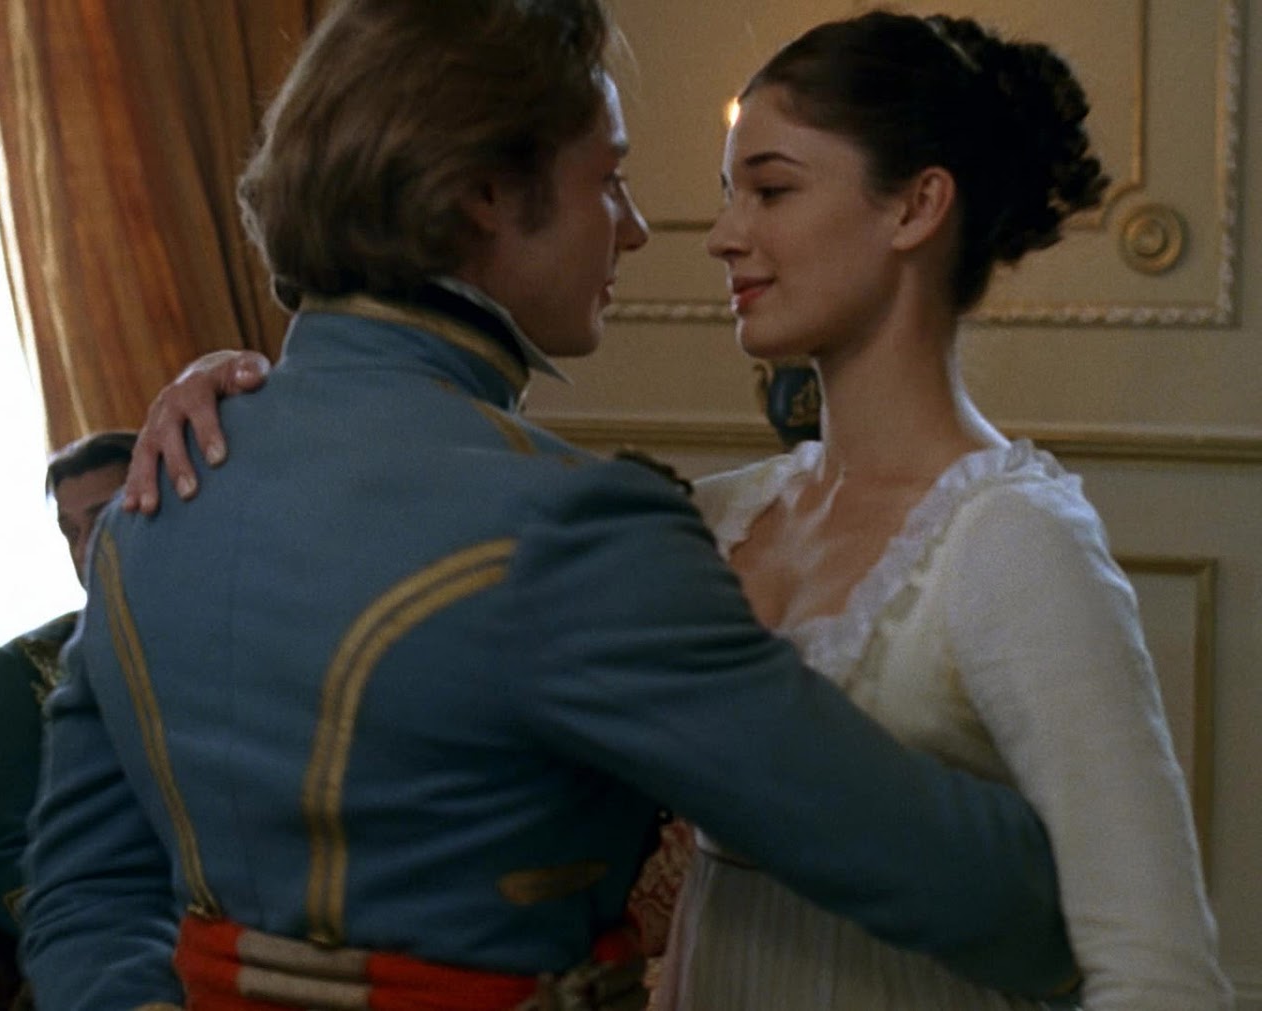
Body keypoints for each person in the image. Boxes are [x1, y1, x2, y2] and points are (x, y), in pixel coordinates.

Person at [141, 10, 1233, 1008]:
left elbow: (1155, 964)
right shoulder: (709, 519)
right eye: (726, 192)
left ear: (915, 205)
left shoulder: (1014, 541)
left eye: (771, 189)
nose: (718, 234)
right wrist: (248, 394)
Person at [0, 429, 137, 953]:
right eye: (70, 531)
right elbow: (1, 860)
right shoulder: (28, 666)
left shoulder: (239, 644)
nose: (85, 550)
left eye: (105, 521)